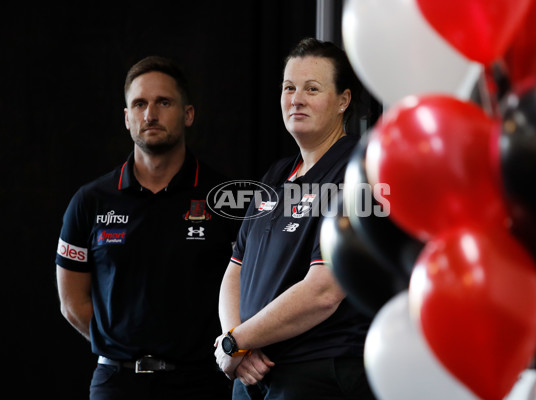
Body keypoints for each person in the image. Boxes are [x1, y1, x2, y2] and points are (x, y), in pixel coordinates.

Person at [56, 56, 239, 400]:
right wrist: (119, 346)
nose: (150, 114)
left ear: (188, 114)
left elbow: (252, 287)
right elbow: (71, 302)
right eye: (139, 104)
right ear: (127, 118)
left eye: (163, 102)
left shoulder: (225, 198)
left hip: (203, 382)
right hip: (116, 382)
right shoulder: (90, 201)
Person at [214, 38, 377, 400]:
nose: (296, 99)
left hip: (317, 372)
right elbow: (235, 269)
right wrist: (235, 344)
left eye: (312, 89)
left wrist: (236, 341)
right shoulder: (276, 175)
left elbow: (324, 291)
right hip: (251, 372)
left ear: (343, 101)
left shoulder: (358, 171)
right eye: (289, 88)